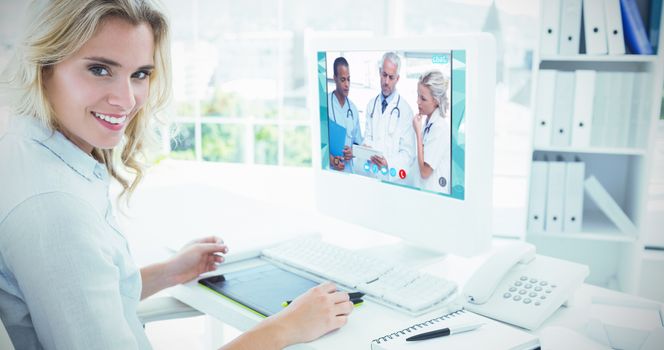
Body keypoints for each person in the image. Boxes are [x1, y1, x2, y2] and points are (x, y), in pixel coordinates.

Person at [0, 1, 353, 349]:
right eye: (99, 69)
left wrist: (167, 272)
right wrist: (285, 328)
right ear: (43, 66)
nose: (127, 99)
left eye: (140, 74)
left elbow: (80, 296)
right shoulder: (53, 209)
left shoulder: (33, 149)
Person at [363, 52, 415, 184]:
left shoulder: (406, 111)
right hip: (372, 176)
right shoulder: (371, 105)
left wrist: (389, 163)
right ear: (380, 72)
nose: (386, 82)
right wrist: (365, 148)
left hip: (393, 180)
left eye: (391, 77)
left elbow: (408, 153)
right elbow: (368, 137)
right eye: (384, 75)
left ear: (397, 78)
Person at [412, 70, 451, 194]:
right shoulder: (429, 122)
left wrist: (418, 133)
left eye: (423, 98)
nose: (418, 102)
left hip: (433, 195)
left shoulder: (440, 128)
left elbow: (424, 172)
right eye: (418, 95)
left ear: (436, 101)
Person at [328, 57, 362, 173]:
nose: (347, 84)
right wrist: (332, 160)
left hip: (348, 172)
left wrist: (352, 152)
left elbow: (358, 143)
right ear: (335, 79)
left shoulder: (353, 109)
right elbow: (318, 144)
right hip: (330, 171)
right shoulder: (325, 104)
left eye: (348, 79)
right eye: (343, 80)